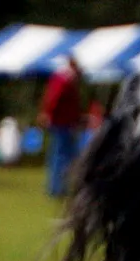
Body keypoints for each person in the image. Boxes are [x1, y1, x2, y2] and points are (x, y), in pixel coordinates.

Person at [40, 56, 84, 198]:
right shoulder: (64, 80)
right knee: (61, 156)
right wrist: (48, 113)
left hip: (64, 122)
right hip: (63, 123)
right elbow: (54, 99)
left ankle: (59, 187)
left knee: (61, 155)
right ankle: (57, 188)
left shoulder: (61, 79)